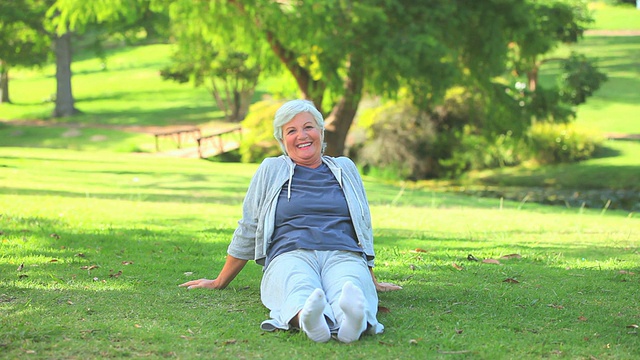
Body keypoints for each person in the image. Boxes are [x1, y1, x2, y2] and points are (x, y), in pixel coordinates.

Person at [179, 99, 402, 343]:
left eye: (308, 127)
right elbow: (250, 226)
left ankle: (352, 324)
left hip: (342, 251)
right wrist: (220, 281)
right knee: (298, 283)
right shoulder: (271, 169)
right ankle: (311, 321)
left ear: (320, 131)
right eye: (291, 131)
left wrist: (370, 278)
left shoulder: (345, 168)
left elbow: (362, 225)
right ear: (282, 140)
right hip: (289, 253)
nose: (302, 136)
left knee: (349, 285)